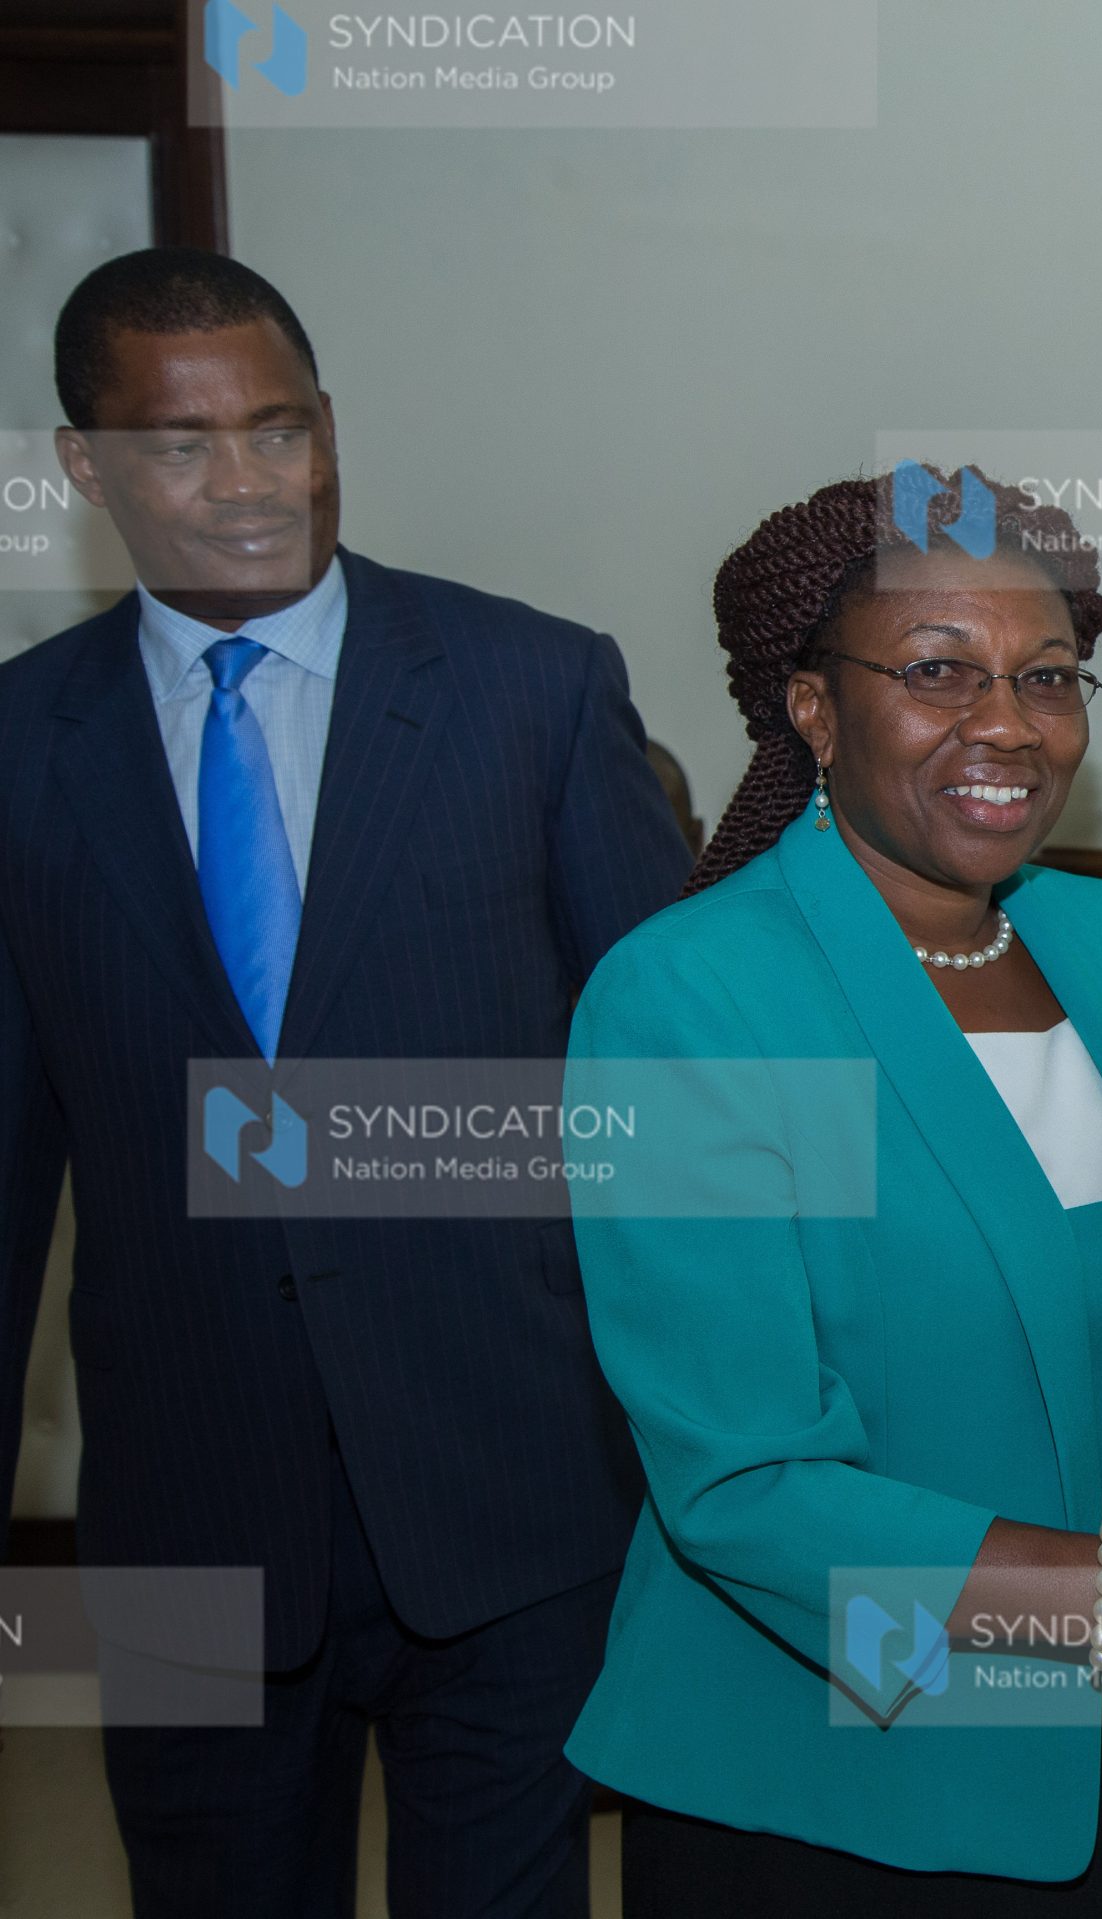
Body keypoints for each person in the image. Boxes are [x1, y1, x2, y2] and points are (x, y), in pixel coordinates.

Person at [0, 250, 692, 1914]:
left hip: (513, 1489)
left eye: (279, 428)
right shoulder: (22, 747)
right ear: (84, 466)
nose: (247, 483)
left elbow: (677, 1101)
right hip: (187, 1516)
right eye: (181, 446)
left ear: (328, 425)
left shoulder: (533, 689)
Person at [564, 467, 1102, 1916]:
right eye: (937, 671)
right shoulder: (697, 998)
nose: (1008, 724)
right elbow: (744, 1486)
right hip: (845, 1769)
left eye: (1048, 675)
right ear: (813, 708)